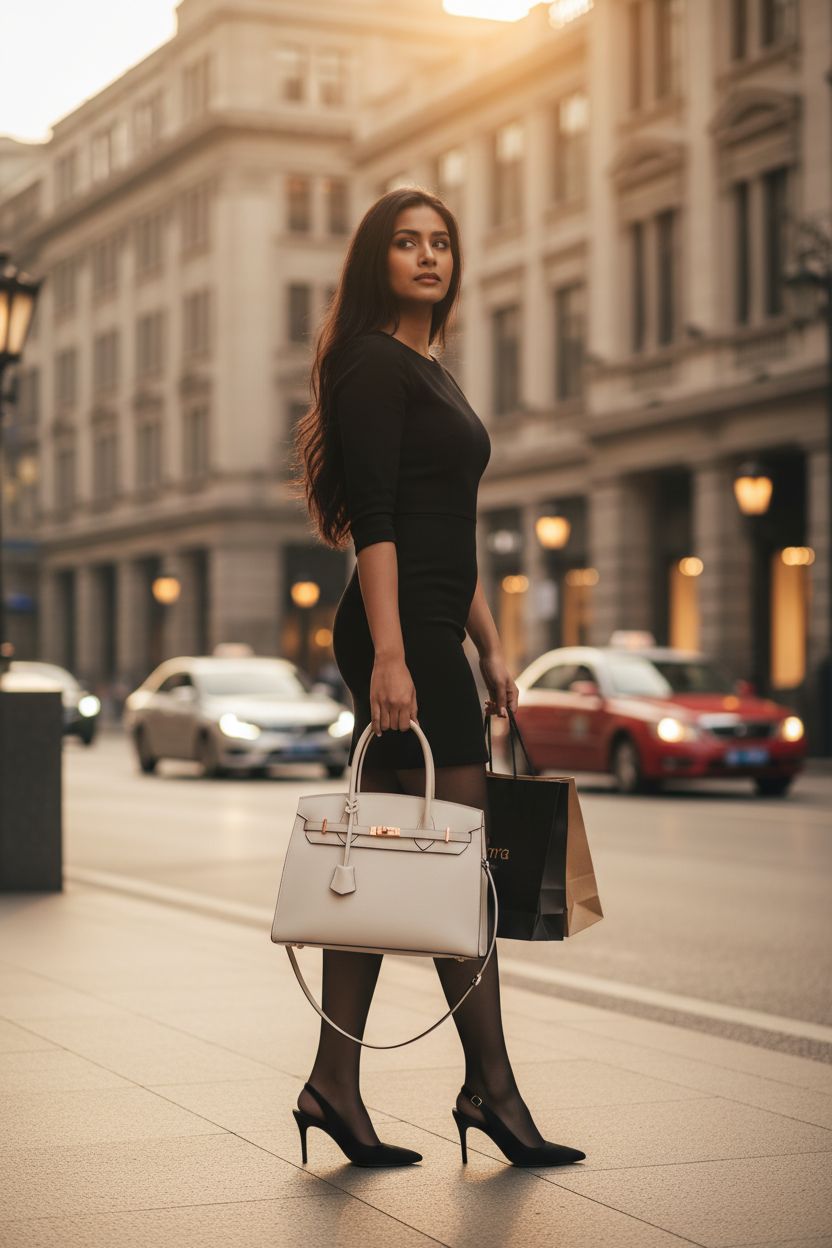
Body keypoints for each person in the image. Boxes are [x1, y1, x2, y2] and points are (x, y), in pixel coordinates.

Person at [289, 186, 585, 1169]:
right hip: (394, 634)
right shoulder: (372, 364)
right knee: (455, 873)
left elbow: (447, 531)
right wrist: (388, 658)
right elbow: (377, 521)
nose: (427, 256)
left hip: (431, 630)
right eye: (407, 243)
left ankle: (335, 1085)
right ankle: (490, 1090)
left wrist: (492, 646)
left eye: (440, 243)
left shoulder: (431, 370)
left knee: (388, 865)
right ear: (378, 259)